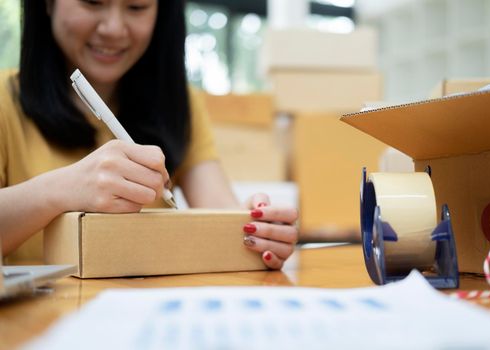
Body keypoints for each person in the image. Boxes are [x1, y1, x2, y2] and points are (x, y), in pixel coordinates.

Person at [0, 0, 298, 269]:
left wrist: (257, 228)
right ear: (48, 4)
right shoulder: (4, 99)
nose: (113, 28)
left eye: (137, 7)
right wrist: (60, 190)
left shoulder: (179, 104)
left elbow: (220, 206)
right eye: (92, 2)